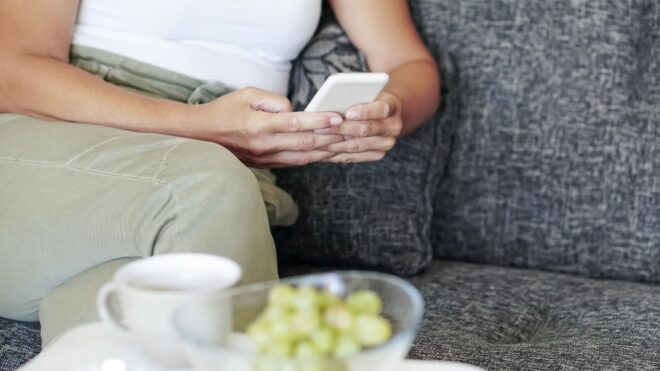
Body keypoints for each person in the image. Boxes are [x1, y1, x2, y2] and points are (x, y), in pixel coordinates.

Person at [0, 0, 440, 346]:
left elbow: (408, 62)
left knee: (119, 324)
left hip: (206, 197)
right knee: (208, 184)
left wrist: (391, 108)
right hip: (55, 149)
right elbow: (14, 71)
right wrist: (203, 128)